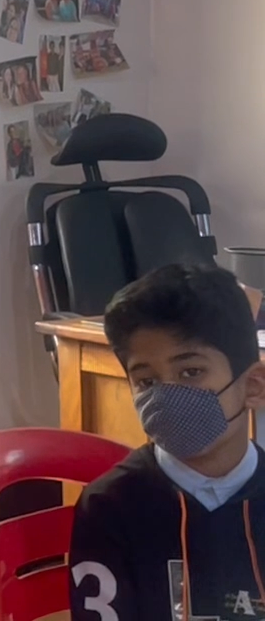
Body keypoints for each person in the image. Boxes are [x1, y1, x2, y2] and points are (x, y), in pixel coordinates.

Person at [69, 264, 265, 621]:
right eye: (146, 381)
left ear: (252, 386)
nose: (166, 397)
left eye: (190, 372)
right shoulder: (110, 506)